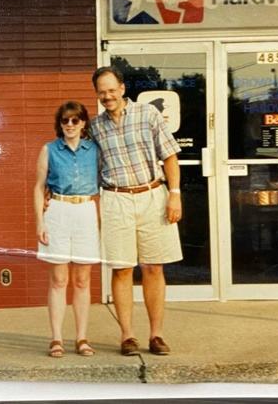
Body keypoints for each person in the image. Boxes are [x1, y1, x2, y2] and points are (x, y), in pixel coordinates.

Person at [88, 66, 182, 356]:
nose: (107, 96)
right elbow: (89, 168)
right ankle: (127, 335)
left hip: (152, 194)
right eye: (102, 92)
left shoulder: (148, 114)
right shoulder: (95, 127)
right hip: (116, 199)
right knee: (122, 268)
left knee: (154, 267)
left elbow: (169, 156)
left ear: (122, 88)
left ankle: (156, 335)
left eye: (111, 90)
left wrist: (175, 195)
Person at [33, 101, 100, 358]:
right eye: (65, 121)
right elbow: (39, 187)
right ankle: (57, 338)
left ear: (83, 123)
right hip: (58, 211)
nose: (70, 125)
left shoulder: (94, 149)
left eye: (75, 120)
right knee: (59, 279)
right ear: (59, 124)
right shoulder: (49, 150)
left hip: (85, 211)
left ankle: (82, 337)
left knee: (82, 279)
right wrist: (40, 221)